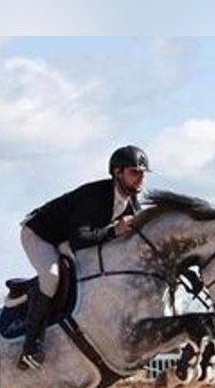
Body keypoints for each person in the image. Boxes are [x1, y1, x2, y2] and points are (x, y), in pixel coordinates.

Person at [18, 144, 149, 369]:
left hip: (67, 239)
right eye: (135, 172)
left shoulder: (132, 204)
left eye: (143, 173)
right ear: (118, 172)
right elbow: (80, 239)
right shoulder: (95, 196)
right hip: (41, 235)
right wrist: (113, 231)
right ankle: (31, 345)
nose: (141, 179)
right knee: (51, 276)